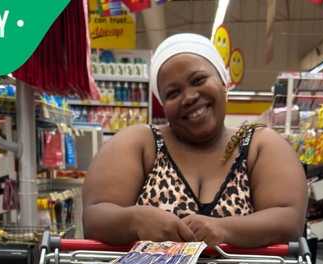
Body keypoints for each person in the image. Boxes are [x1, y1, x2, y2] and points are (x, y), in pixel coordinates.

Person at [82, 33, 307, 247]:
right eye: (172, 93)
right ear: (163, 105)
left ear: (223, 82)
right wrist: (134, 220)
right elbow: (95, 218)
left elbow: (289, 220)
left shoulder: (259, 145)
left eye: (198, 80)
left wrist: (223, 228)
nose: (189, 97)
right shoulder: (141, 143)